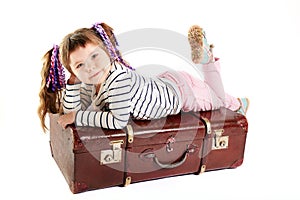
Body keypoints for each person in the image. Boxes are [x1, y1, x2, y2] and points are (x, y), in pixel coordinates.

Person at [38, 22, 249, 131]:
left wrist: (77, 117)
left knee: (219, 101)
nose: (91, 68)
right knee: (213, 94)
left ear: (108, 51)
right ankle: (237, 103)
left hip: (183, 95)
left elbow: (117, 121)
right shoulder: (90, 80)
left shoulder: (117, 79)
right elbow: (71, 109)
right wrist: (73, 84)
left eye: (95, 56)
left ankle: (209, 63)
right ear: (73, 71)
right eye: (80, 65)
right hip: (166, 82)